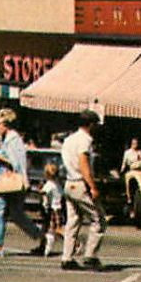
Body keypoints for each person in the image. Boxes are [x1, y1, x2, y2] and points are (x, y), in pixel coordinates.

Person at [0, 108, 46, 257]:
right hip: (9, 179)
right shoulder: (7, 138)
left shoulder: (13, 139)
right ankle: (41, 237)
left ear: (7, 125)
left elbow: (16, 162)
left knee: (0, 212)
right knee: (16, 214)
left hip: (10, 180)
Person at [59, 110, 105, 270]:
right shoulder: (85, 140)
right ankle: (90, 256)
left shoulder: (69, 139)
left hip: (69, 182)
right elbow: (83, 163)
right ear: (91, 124)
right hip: (80, 183)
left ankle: (67, 257)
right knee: (98, 219)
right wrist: (92, 186)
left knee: (73, 220)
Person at [38, 160, 64, 257]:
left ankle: (47, 248)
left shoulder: (49, 185)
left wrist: (38, 189)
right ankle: (43, 246)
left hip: (51, 209)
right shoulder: (58, 184)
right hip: (58, 208)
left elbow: (43, 192)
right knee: (51, 228)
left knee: (53, 229)